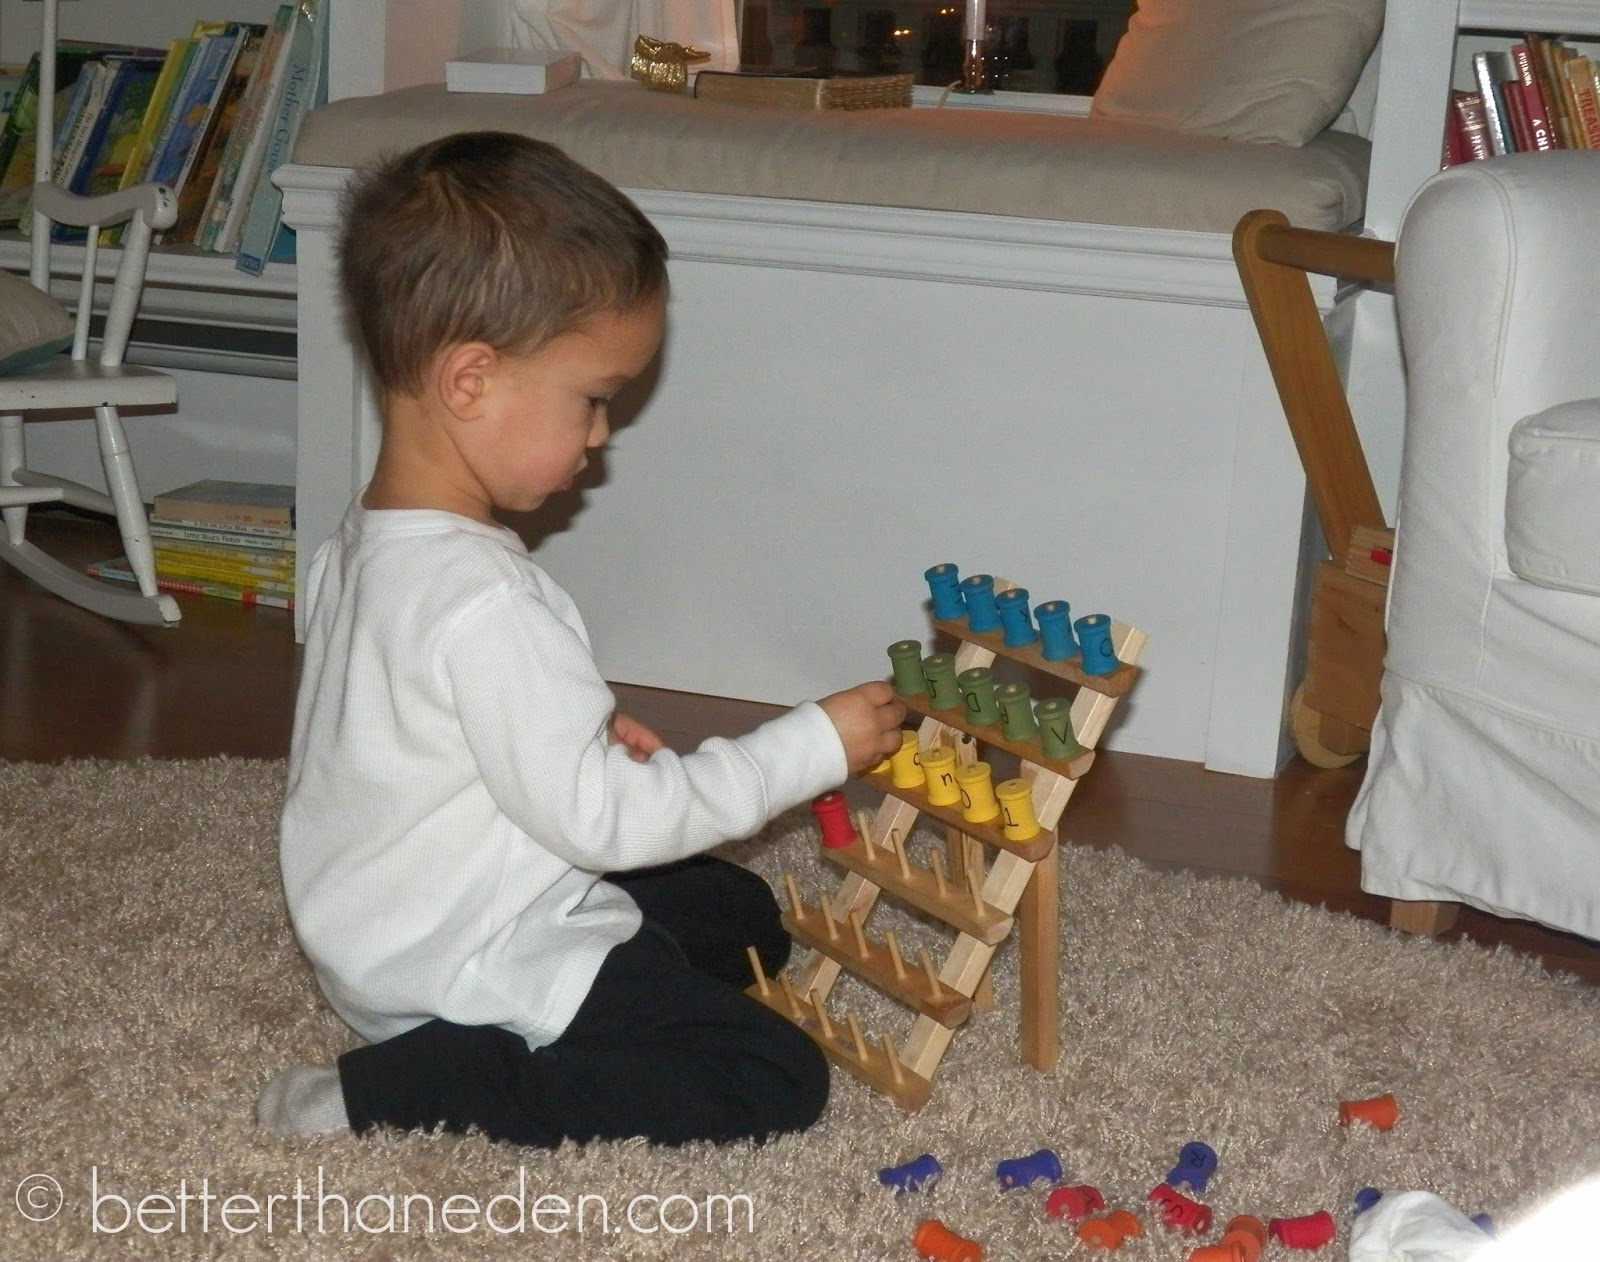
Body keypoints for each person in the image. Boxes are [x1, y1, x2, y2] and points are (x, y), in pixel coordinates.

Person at [257, 131, 906, 1148]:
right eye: (594, 399)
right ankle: (409, 1086)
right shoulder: (488, 602)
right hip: (469, 963)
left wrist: (580, 732)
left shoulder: (365, 540)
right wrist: (808, 746)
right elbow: (610, 827)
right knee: (772, 1076)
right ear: (469, 381)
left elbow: (409, 733)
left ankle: (493, 1024)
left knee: (738, 916)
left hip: (389, 929)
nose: (602, 434)